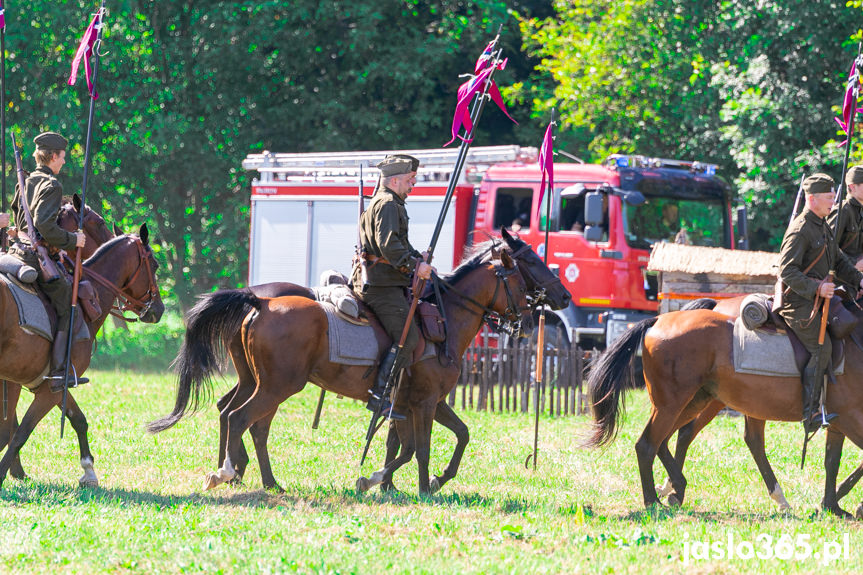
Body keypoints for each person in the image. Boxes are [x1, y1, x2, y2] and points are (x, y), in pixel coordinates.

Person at [777, 173, 863, 433]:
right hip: (799, 301)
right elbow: (786, 271)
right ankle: (812, 412)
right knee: (821, 348)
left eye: (833, 197)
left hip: (819, 297)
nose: (832, 202)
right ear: (812, 199)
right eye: (828, 198)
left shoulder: (822, 224)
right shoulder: (801, 229)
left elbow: (838, 259)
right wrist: (817, 287)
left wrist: (859, 280)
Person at [351, 154, 434, 420]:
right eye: (410, 180)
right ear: (395, 180)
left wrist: (417, 257)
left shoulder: (389, 202)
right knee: (407, 338)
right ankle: (380, 395)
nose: (414, 185)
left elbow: (397, 243)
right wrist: (414, 267)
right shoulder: (387, 203)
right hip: (381, 286)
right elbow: (388, 246)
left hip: (386, 282)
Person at [9, 132, 86, 392]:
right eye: (63, 157)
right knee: (67, 305)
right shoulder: (52, 185)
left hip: (16, 251)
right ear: (53, 156)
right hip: (35, 256)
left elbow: (15, 212)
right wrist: (72, 240)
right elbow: (43, 224)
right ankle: (58, 372)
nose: (64, 162)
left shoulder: (25, 181)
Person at [828, 164, 863, 299]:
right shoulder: (842, 211)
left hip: (856, 281)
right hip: (839, 283)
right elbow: (828, 248)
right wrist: (854, 263)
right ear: (852, 187)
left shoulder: (860, 212)